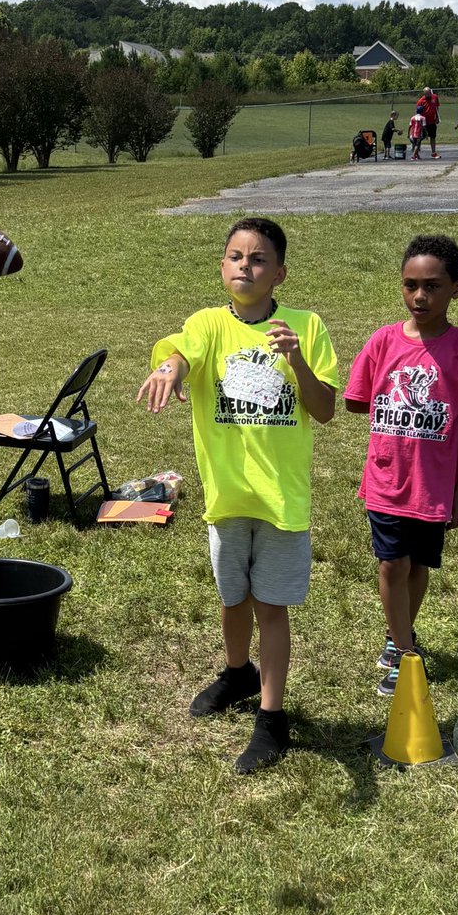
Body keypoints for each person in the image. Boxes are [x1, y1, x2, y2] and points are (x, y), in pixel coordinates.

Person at [136, 218, 338, 773]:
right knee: (232, 600)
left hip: (280, 500)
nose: (245, 265)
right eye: (235, 256)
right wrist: (170, 368)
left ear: (280, 274)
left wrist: (296, 360)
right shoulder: (207, 323)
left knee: (270, 607)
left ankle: (272, 718)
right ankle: (237, 673)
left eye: (258, 258)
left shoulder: (306, 326)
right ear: (222, 266)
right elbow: (183, 353)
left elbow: (324, 409)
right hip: (227, 498)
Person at [343, 235, 458, 696]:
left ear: (456, 288)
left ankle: (397, 635)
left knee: (418, 566)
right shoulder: (383, 340)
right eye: (410, 285)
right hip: (387, 477)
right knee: (392, 564)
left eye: (432, 286)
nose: (419, 296)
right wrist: (393, 397)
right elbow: (355, 399)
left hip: (434, 485)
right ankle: (406, 655)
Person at [416, 86, 441, 159]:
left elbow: (437, 107)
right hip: (424, 122)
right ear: (424, 93)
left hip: (432, 121)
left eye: (429, 93)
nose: (428, 95)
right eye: (426, 94)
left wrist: (437, 117)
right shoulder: (421, 101)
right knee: (420, 137)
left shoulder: (435, 97)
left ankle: (433, 152)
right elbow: (418, 112)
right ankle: (416, 153)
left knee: (433, 137)